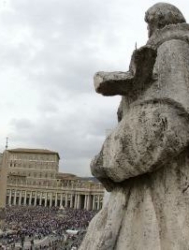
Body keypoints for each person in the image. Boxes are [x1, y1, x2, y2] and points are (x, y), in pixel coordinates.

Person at [80, 3, 189, 250]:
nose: (148, 32)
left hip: (160, 209)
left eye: (149, 25)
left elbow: (167, 121)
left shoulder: (173, 48)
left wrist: (105, 160)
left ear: (155, 24)